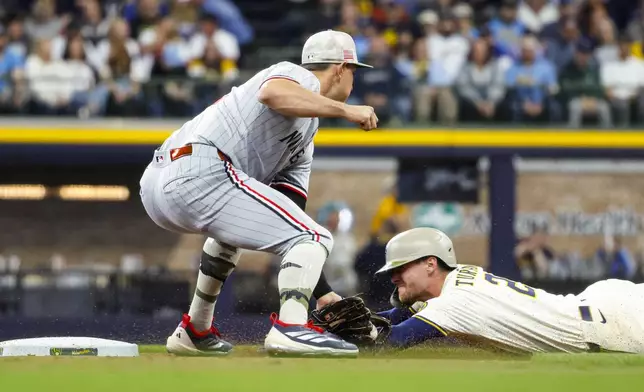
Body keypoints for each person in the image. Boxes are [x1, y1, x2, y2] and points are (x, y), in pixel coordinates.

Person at [139, 29, 378, 357]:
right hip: (200, 168)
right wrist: (348, 112)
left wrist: (324, 294)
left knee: (249, 236)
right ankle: (291, 329)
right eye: (354, 71)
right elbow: (273, 94)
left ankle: (195, 329)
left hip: (164, 181)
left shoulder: (305, 135)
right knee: (316, 236)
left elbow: (287, 219)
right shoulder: (298, 75)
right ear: (340, 68)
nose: (353, 82)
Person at [371, 227, 644, 354]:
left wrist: (340, 333)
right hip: (602, 304)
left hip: (614, 324)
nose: (393, 277)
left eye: (401, 268)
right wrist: (328, 322)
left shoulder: (455, 304)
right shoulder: (455, 278)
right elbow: (393, 316)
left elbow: (389, 341)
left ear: (431, 264)